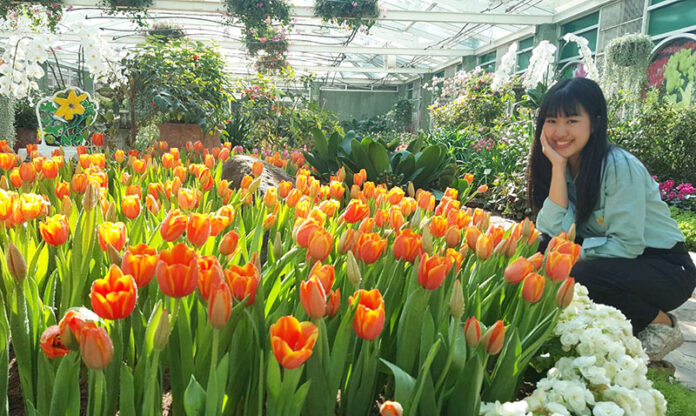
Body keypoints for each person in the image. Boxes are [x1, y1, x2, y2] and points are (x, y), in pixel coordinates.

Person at [527, 77, 696, 361]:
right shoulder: (563, 164)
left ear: (594, 123)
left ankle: (660, 323)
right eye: (551, 120)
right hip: (621, 265)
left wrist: (571, 254)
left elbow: (627, 244)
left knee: (576, 272)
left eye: (571, 121)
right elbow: (556, 231)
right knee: (538, 251)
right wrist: (557, 167)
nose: (559, 131)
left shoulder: (619, 167)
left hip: (664, 269)